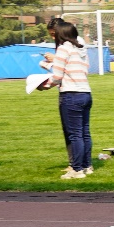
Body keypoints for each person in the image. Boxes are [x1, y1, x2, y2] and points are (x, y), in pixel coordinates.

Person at [37, 21, 93, 179]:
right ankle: (87, 165)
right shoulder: (79, 49)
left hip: (70, 94)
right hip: (85, 93)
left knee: (75, 135)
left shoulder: (63, 49)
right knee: (84, 133)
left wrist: (43, 86)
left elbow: (57, 77)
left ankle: (76, 169)